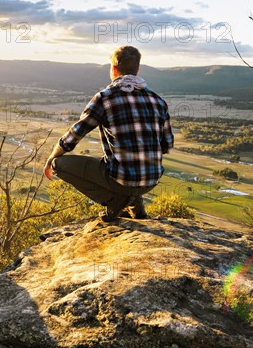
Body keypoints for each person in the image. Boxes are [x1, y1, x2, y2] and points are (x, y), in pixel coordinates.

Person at [43, 46, 174, 221]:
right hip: (151, 180)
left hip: (120, 180)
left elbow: (75, 134)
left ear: (113, 69)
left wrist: (51, 158)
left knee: (59, 165)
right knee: (125, 163)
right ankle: (136, 207)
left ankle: (114, 200)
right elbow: (167, 146)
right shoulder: (157, 100)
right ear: (138, 70)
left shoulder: (105, 98)